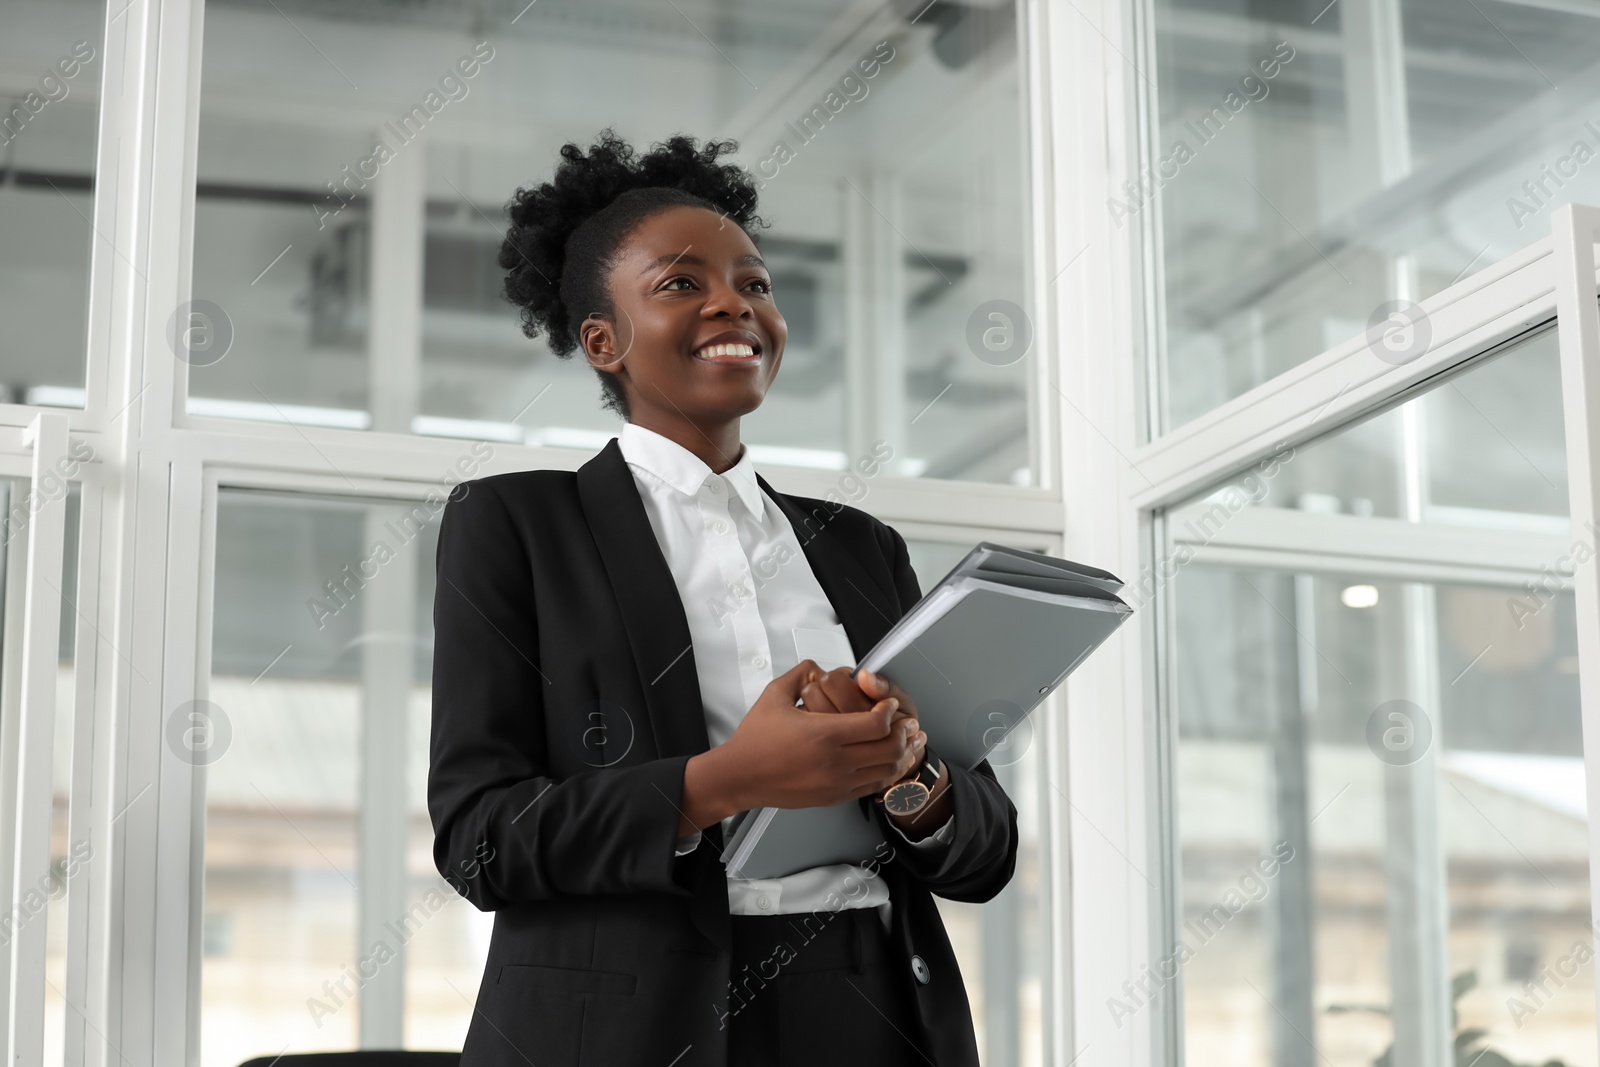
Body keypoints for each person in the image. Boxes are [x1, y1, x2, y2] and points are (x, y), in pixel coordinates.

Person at [428, 128, 1019, 1067]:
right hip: (633, 1027)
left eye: (754, 282)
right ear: (602, 341)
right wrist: (729, 780)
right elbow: (482, 843)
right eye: (680, 283)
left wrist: (910, 774)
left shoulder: (862, 545)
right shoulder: (516, 525)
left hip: (870, 1008)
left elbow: (985, 854)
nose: (732, 305)